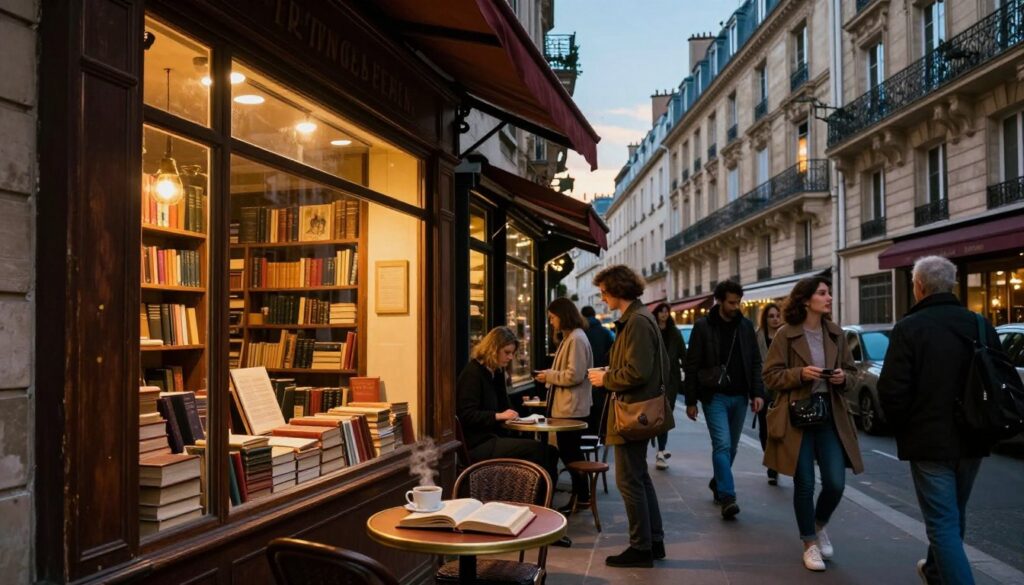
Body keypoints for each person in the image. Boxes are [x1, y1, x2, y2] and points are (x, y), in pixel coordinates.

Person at [877, 256, 996, 585]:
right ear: (952, 285)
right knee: (952, 515)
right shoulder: (979, 324)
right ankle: (934, 572)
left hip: (929, 441)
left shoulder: (908, 328)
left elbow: (892, 390)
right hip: (973, 436)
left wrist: (904, 427)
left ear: (918, 287)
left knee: (942, 522)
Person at [762, 277, 863, 572]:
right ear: (806, 300)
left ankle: (819, 524)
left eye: (829, 292)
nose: (829, 297)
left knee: (835, 482)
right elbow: (770, 376)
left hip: (830, 416)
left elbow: (852, 371)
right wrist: (800, 374)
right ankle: (809, 543)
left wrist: (844, 378)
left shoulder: (836, 334)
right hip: (797, 417)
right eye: (822, 293)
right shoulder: (785, 335)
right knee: (804, 483)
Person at [587, 265, 672, 568]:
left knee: (627, 480)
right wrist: (611, 372)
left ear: (616, 290)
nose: (602, 297)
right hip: (639, 412)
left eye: (604, 291)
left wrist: (605, 380)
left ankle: (641, 547)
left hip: (632, 413)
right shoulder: (638, 317)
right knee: (639, 477)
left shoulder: (635, 321)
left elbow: (638, 371)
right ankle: (654, 541)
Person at [683, 280, 764, 519]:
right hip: (714, 395)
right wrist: (690, 401)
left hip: (740, 396)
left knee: (733, 447)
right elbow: (692, 365)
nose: (736, 306)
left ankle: (718, 481)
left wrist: (757, 393)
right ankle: (728, 496)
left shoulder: (746, 326)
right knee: (722, 445)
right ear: (719, 300)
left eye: (738, 302)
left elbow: (755, 362)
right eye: (731, 302)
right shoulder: (703, 327)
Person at [456, 326, 560, 484]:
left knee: (549, 452)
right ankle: (537, 499)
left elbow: (506, 407)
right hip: (478, 444)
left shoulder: (495, 372)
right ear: (493, 349)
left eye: (512, 353)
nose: (511, 357)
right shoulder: (473, 374)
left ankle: (537, 497)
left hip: (494, 437)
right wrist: (498, 416)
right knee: (543, 452)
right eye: (507, 352)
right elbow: (465, 414)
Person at [535, 298, 593, 514]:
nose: (551, 322)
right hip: (569, 406)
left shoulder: (576, 339)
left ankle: (582, 496)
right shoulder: (572, 337)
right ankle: (581, 496)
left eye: (552, 317)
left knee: (570, 454)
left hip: (571, 408)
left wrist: (548, 375)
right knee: (570, 453)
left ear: (562, 315)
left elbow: (574, 375)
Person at [652, 302, 686, 470]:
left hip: (671, 382)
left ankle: (661, 449)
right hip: (653, 380)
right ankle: (660, 449)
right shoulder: (651, 331)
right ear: (656, 313)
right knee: (655, 416)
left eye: (666, 311)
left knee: (665, 416)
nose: (664, 314)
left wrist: (686, 381)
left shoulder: (675, 333)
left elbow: (683, 356)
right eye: (661, 311)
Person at [756, 302, 783, 485]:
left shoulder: (786, 336)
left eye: (777, 315)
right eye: (771, 316)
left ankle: (776, 463)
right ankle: (771, 463)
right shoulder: (758, 336)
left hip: (782, 389)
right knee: (764, 430)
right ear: (765, 318)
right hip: (763, 389)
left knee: (780, 428)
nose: (774, 319)